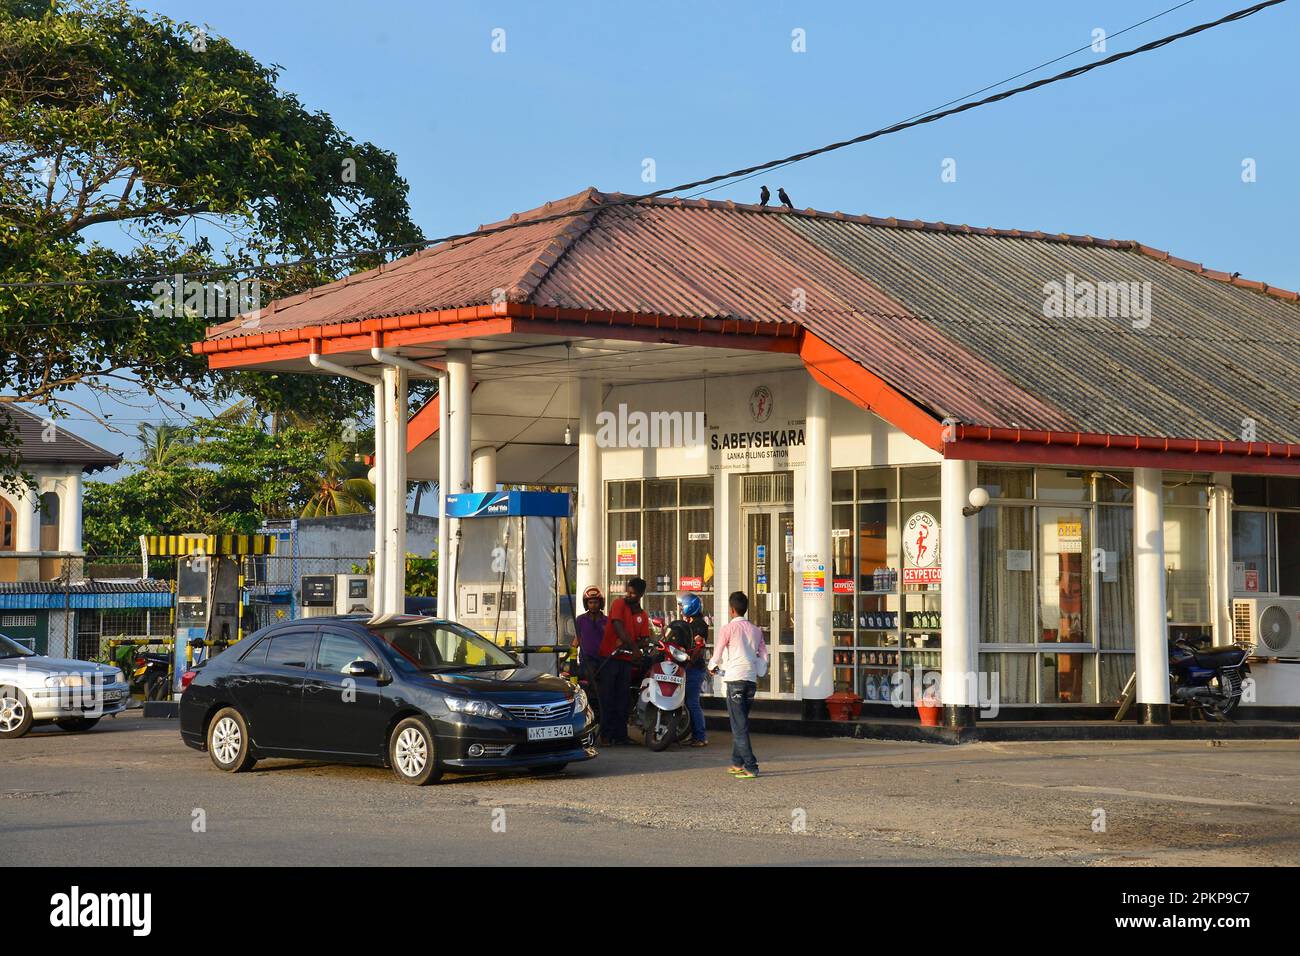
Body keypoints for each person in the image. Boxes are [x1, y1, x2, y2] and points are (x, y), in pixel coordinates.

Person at [707, 590, 768, 779]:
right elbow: (764, 656)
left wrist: (712, 666)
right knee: (740, 722)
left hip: (734, 680)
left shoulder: (727, 629)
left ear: (732, 609)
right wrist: (759, 670)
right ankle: (737, 762)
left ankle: (751, 766)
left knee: (739, 726)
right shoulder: (756, 630)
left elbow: (717, 654)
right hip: (750, 681)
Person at [597, 577, 651, 745]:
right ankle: (605, 735)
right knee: (608, 698)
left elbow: (644, 638)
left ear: (641, 594)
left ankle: (620, 735)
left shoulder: (642, 615)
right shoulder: (619, 604)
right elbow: (618, 626)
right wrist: (634, 647)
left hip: (626, 660)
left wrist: (635, 646)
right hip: (610, 657)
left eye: (633, 593)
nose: (628, 595)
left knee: (623, 699)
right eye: (628, 591)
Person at [676, 592, 710, 747]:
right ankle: (694, 734)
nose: (681, 608)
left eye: (683, 605)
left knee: (692, 702)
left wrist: (690, 662)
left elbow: (698, 647)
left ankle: (700, 736)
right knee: (688, 702)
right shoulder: (691, 623)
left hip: (694, 669)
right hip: (688, 667)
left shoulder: (699, 625)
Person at [571, 586, 607, 690]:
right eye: (590, 603)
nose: (593, 605)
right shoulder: (580, 620)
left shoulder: (607, 621)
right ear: (586, 604)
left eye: (595, 602)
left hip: (604, 659)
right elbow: (577, 638)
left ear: (600, 603)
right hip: (587, 660)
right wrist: (568, 655)